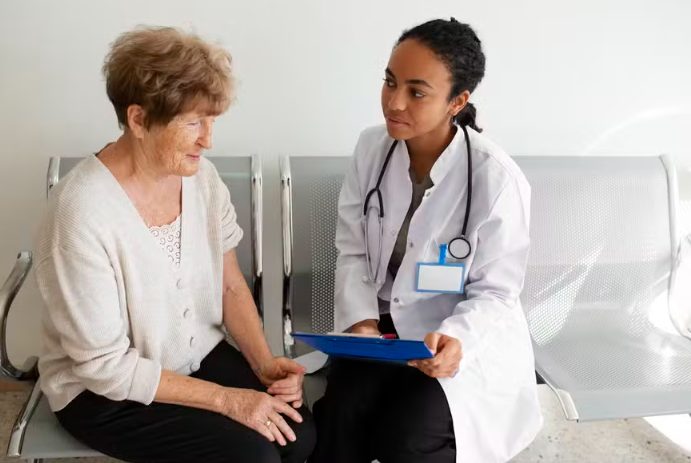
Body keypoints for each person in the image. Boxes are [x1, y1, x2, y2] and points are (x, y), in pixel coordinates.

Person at [34, 26, 315, 463]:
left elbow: (230, 287)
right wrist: (228, 400)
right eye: (193, 122)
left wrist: (263, 365)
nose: (208, 139)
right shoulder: (79, 211)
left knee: (299, 435)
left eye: (212, 121)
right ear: (138, 119)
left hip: (196, 356)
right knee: (251, 454)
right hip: (103, 392)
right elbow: (105, 367)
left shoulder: (202, 179)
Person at [310, 18, 542, 463]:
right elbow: (352, 249)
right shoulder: (371, 149)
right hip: (383, 330)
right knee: (341, 416)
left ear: (458, 101)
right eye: (389, 82)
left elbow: (496, 293)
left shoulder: (496, 179)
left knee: (407, 437)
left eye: (416, 92)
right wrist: (362, 323)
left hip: (456, 337)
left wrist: (456, 340)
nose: (394, 102)